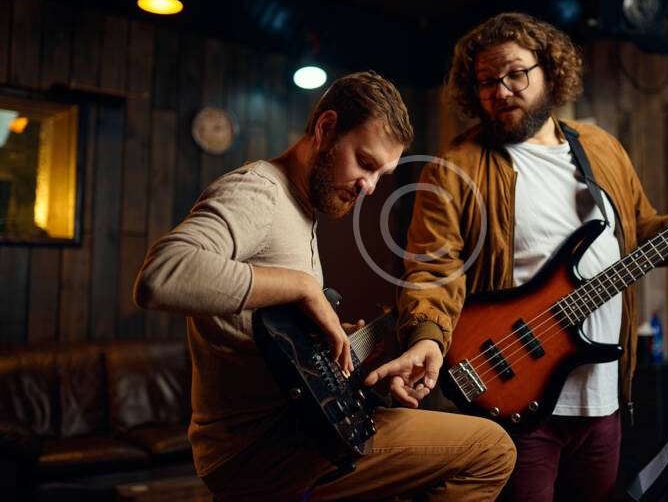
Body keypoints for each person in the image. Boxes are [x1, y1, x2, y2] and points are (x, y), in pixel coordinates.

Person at [363, 14, 668, 501]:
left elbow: (640, 234)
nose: (500, 91)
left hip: (602, 394)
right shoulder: (455, 166)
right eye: (486, 81)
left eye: (515, 74)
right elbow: (433, 268)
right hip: (515, 394)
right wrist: (427, 337)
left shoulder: (601, 148)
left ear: (550, 71)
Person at [134, 71, 516, 502]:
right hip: (261, 449)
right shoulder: (258, 192)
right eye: (365, 163)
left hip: (296, 430)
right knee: (492, 450)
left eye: (381, 174)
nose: (369, 187)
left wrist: (338, 349)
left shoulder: (302, 208)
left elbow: (267, 336)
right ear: (326, 128)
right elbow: (161, 275)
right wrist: (302, 287)